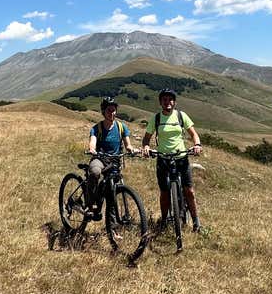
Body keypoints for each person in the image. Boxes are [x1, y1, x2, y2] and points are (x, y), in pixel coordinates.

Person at [141, 88, 202, 231]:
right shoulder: (156, 118)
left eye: (170, 99)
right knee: (164, 192)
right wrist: (146, 147)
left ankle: (196, 222)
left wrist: (197, 145)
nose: (167, 102)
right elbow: (146, 138)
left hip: (181, 158)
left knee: (189, 191)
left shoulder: (181, 116)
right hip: (163, 159)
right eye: (164, 100)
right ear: (160, 102)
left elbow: (194, 134)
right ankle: (163, 221)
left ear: (174, 102)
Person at [86, 97, 131, 218]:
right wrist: (92, 149)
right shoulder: (97, 128)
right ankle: (90, 205)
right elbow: (92, 142)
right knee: (95, 172)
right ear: (103, 112)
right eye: (109, 110)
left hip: (114, 162)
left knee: (111, 192)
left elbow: (128, 145)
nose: (112, 113)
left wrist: (132, 149)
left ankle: (112, 226)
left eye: (113, 110)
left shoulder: (121, 127)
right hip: (100, 158)